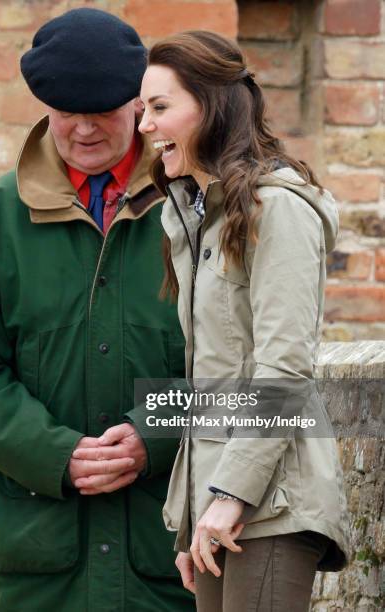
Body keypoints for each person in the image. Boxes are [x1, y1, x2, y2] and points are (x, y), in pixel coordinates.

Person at [0, 9, 195, 612]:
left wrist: (152, 434)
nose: (82, 129)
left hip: (171, 553)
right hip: (40, 562)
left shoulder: (197, 207)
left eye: (101, 110)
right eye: (64, 112)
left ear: (136, 102)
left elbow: (249, 370)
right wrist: (55, 454)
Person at [139, 30, 350, 611]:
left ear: (209, 108)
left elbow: (284, 367)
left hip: (272, 499)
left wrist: (230, 494)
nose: (145, 127)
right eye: (143, 110)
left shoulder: (277, 209)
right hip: (219, 500)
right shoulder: (197, 219)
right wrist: (192, 514)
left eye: (160, 108)